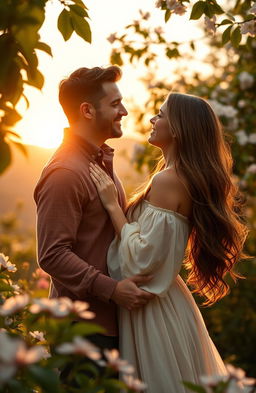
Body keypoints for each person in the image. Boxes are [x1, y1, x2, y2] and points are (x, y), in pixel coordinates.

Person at [89, 92, 248, 393]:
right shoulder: (172, 175)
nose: (152, 119)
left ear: (177, 128)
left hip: (154, 310)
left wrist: (112, 207)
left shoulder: (170, 180)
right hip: (166, 302)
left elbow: (142, 260)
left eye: (160, 114)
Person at [34, 66, 154, 358]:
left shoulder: (97, 161)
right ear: (87, 110)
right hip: (82, 332)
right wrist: (112, 289)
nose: (124, 111)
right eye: (115, 104)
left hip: (109, 326)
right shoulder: (65, 173)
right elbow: (52, 254)